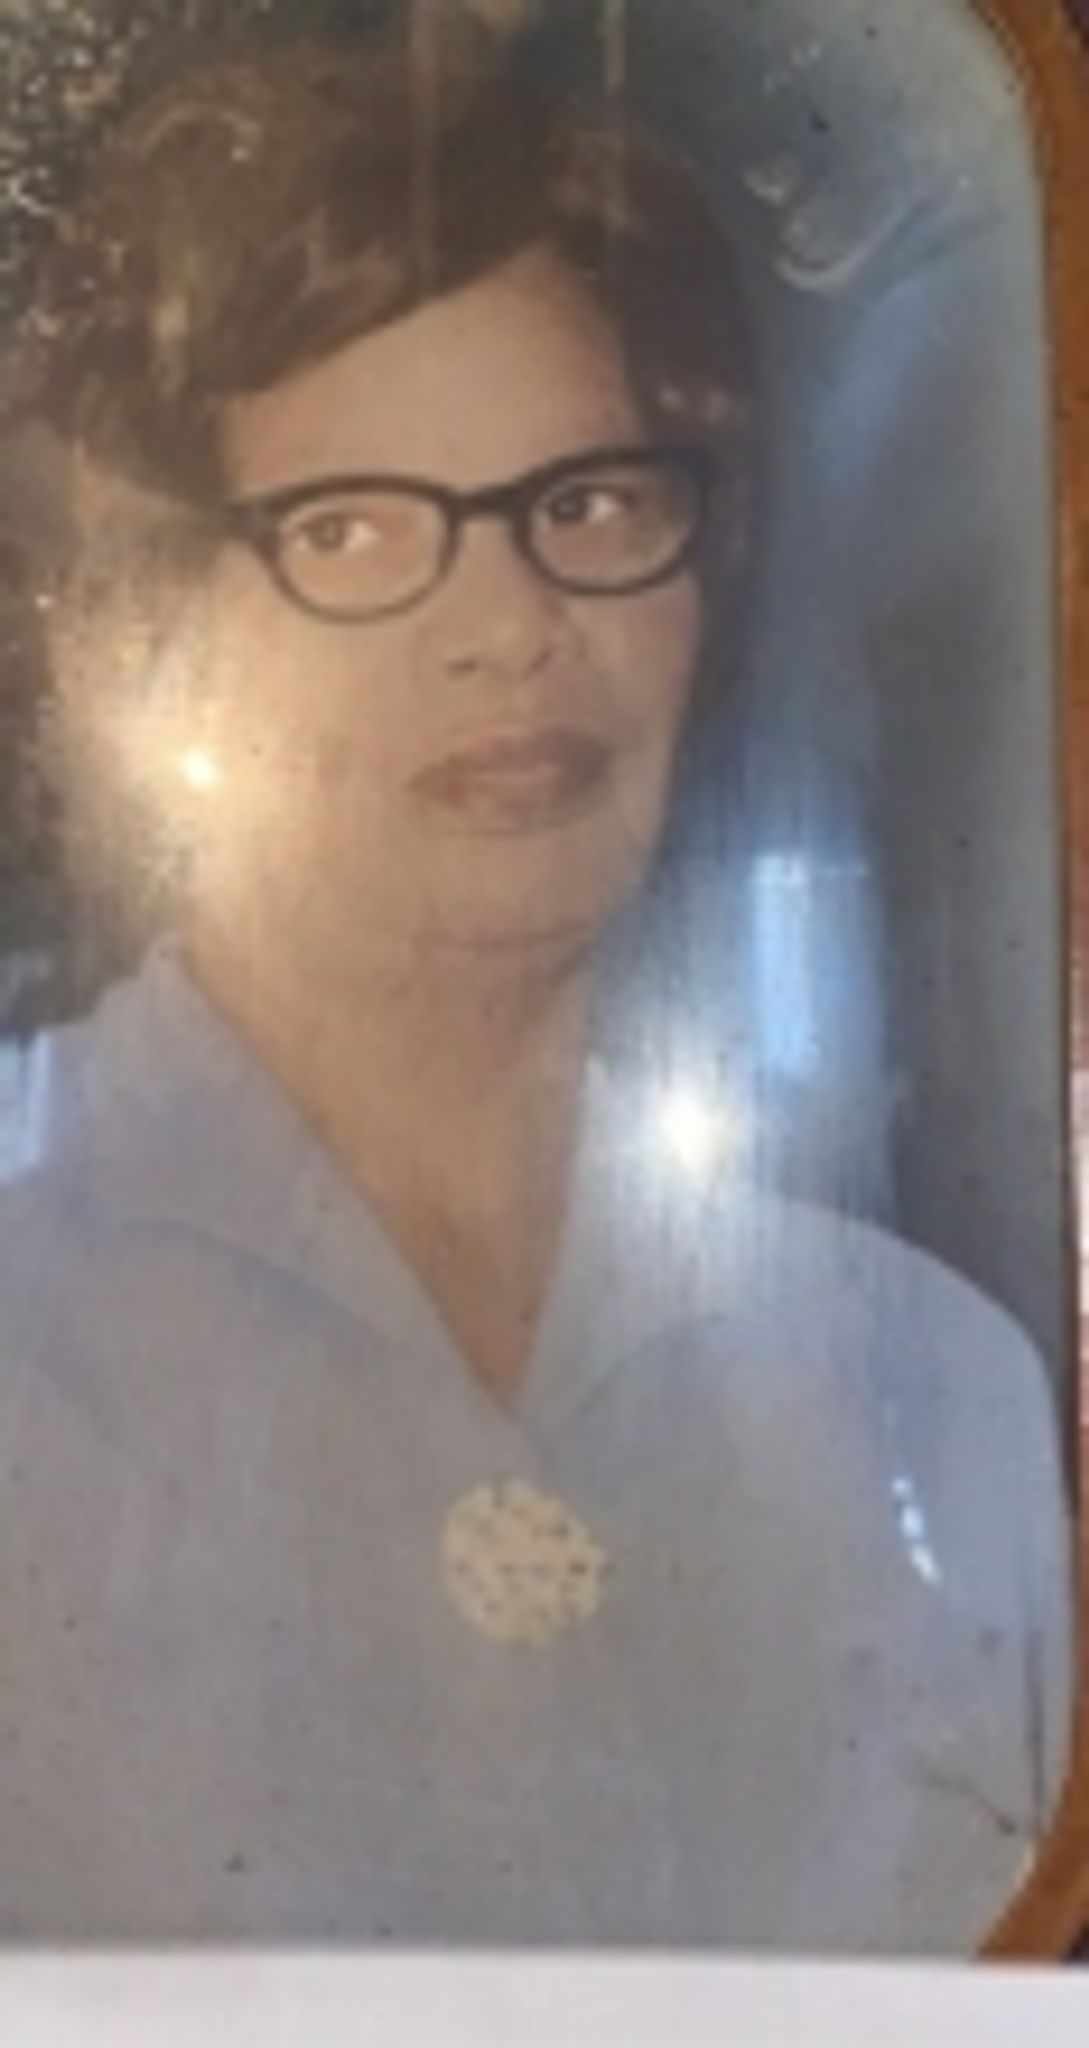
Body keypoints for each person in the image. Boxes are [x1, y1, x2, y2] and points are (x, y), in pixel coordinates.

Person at [0, 30, 1072, 1949]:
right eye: (349, 529)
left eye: (586, 505)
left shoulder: (937, 1393)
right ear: (162, 633)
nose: (509, 628)